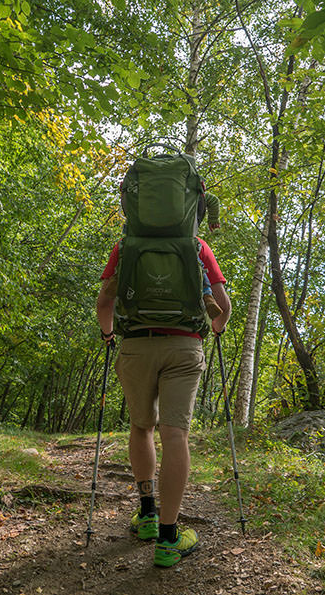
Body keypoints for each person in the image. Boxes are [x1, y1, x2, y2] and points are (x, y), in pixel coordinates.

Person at [96, 237, 231, 568]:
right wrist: (217, 327)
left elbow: (104, 303)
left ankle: (147, 517)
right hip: (184, 347)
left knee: (141, 427)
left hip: (136, 346)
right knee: (175, 435)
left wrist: (108, 334)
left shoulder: (125, 246)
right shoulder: (197, 247)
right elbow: (223, 306)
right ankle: (168, 540)